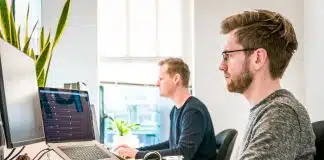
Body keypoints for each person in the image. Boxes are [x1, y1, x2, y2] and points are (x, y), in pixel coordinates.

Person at [218, 9, 316, 159]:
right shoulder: (263, 111)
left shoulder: (282, 114)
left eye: (228, 56)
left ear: (258, 58)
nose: (221, 66)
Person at [116, 58, 217, 160]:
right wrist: (137, 151)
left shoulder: (193, 111)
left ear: (176, 79)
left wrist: (138, 155)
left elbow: (183, 153)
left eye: (161, 79)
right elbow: (171, 145)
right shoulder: (175, 110)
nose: (157, 83)